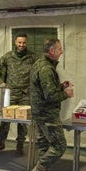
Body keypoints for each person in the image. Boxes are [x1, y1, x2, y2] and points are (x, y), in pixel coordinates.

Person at [0, 33, 38, 155]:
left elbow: (39, 72)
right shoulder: (8, 56)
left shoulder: (33, 57)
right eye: (19, 42)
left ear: (27, 43)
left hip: (25, 94)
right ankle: (0, 143)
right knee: (5, 120)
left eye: (24, 42)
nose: (22, 45)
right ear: (15, 42)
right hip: (10, 94)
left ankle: (20, 146)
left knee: (23, 122)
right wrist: (2, 83)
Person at [30, 38, 74, 171]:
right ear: (52, 50)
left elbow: (43, 89)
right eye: (59, 49)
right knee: (59, 146)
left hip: (39, 112)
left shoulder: (39, 64)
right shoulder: (46, 69)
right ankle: (39, 168)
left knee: (44, 144)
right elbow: (50, 96)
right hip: (47, 114)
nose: (62, 52)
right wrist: (66, 94)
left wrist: (60, 86)